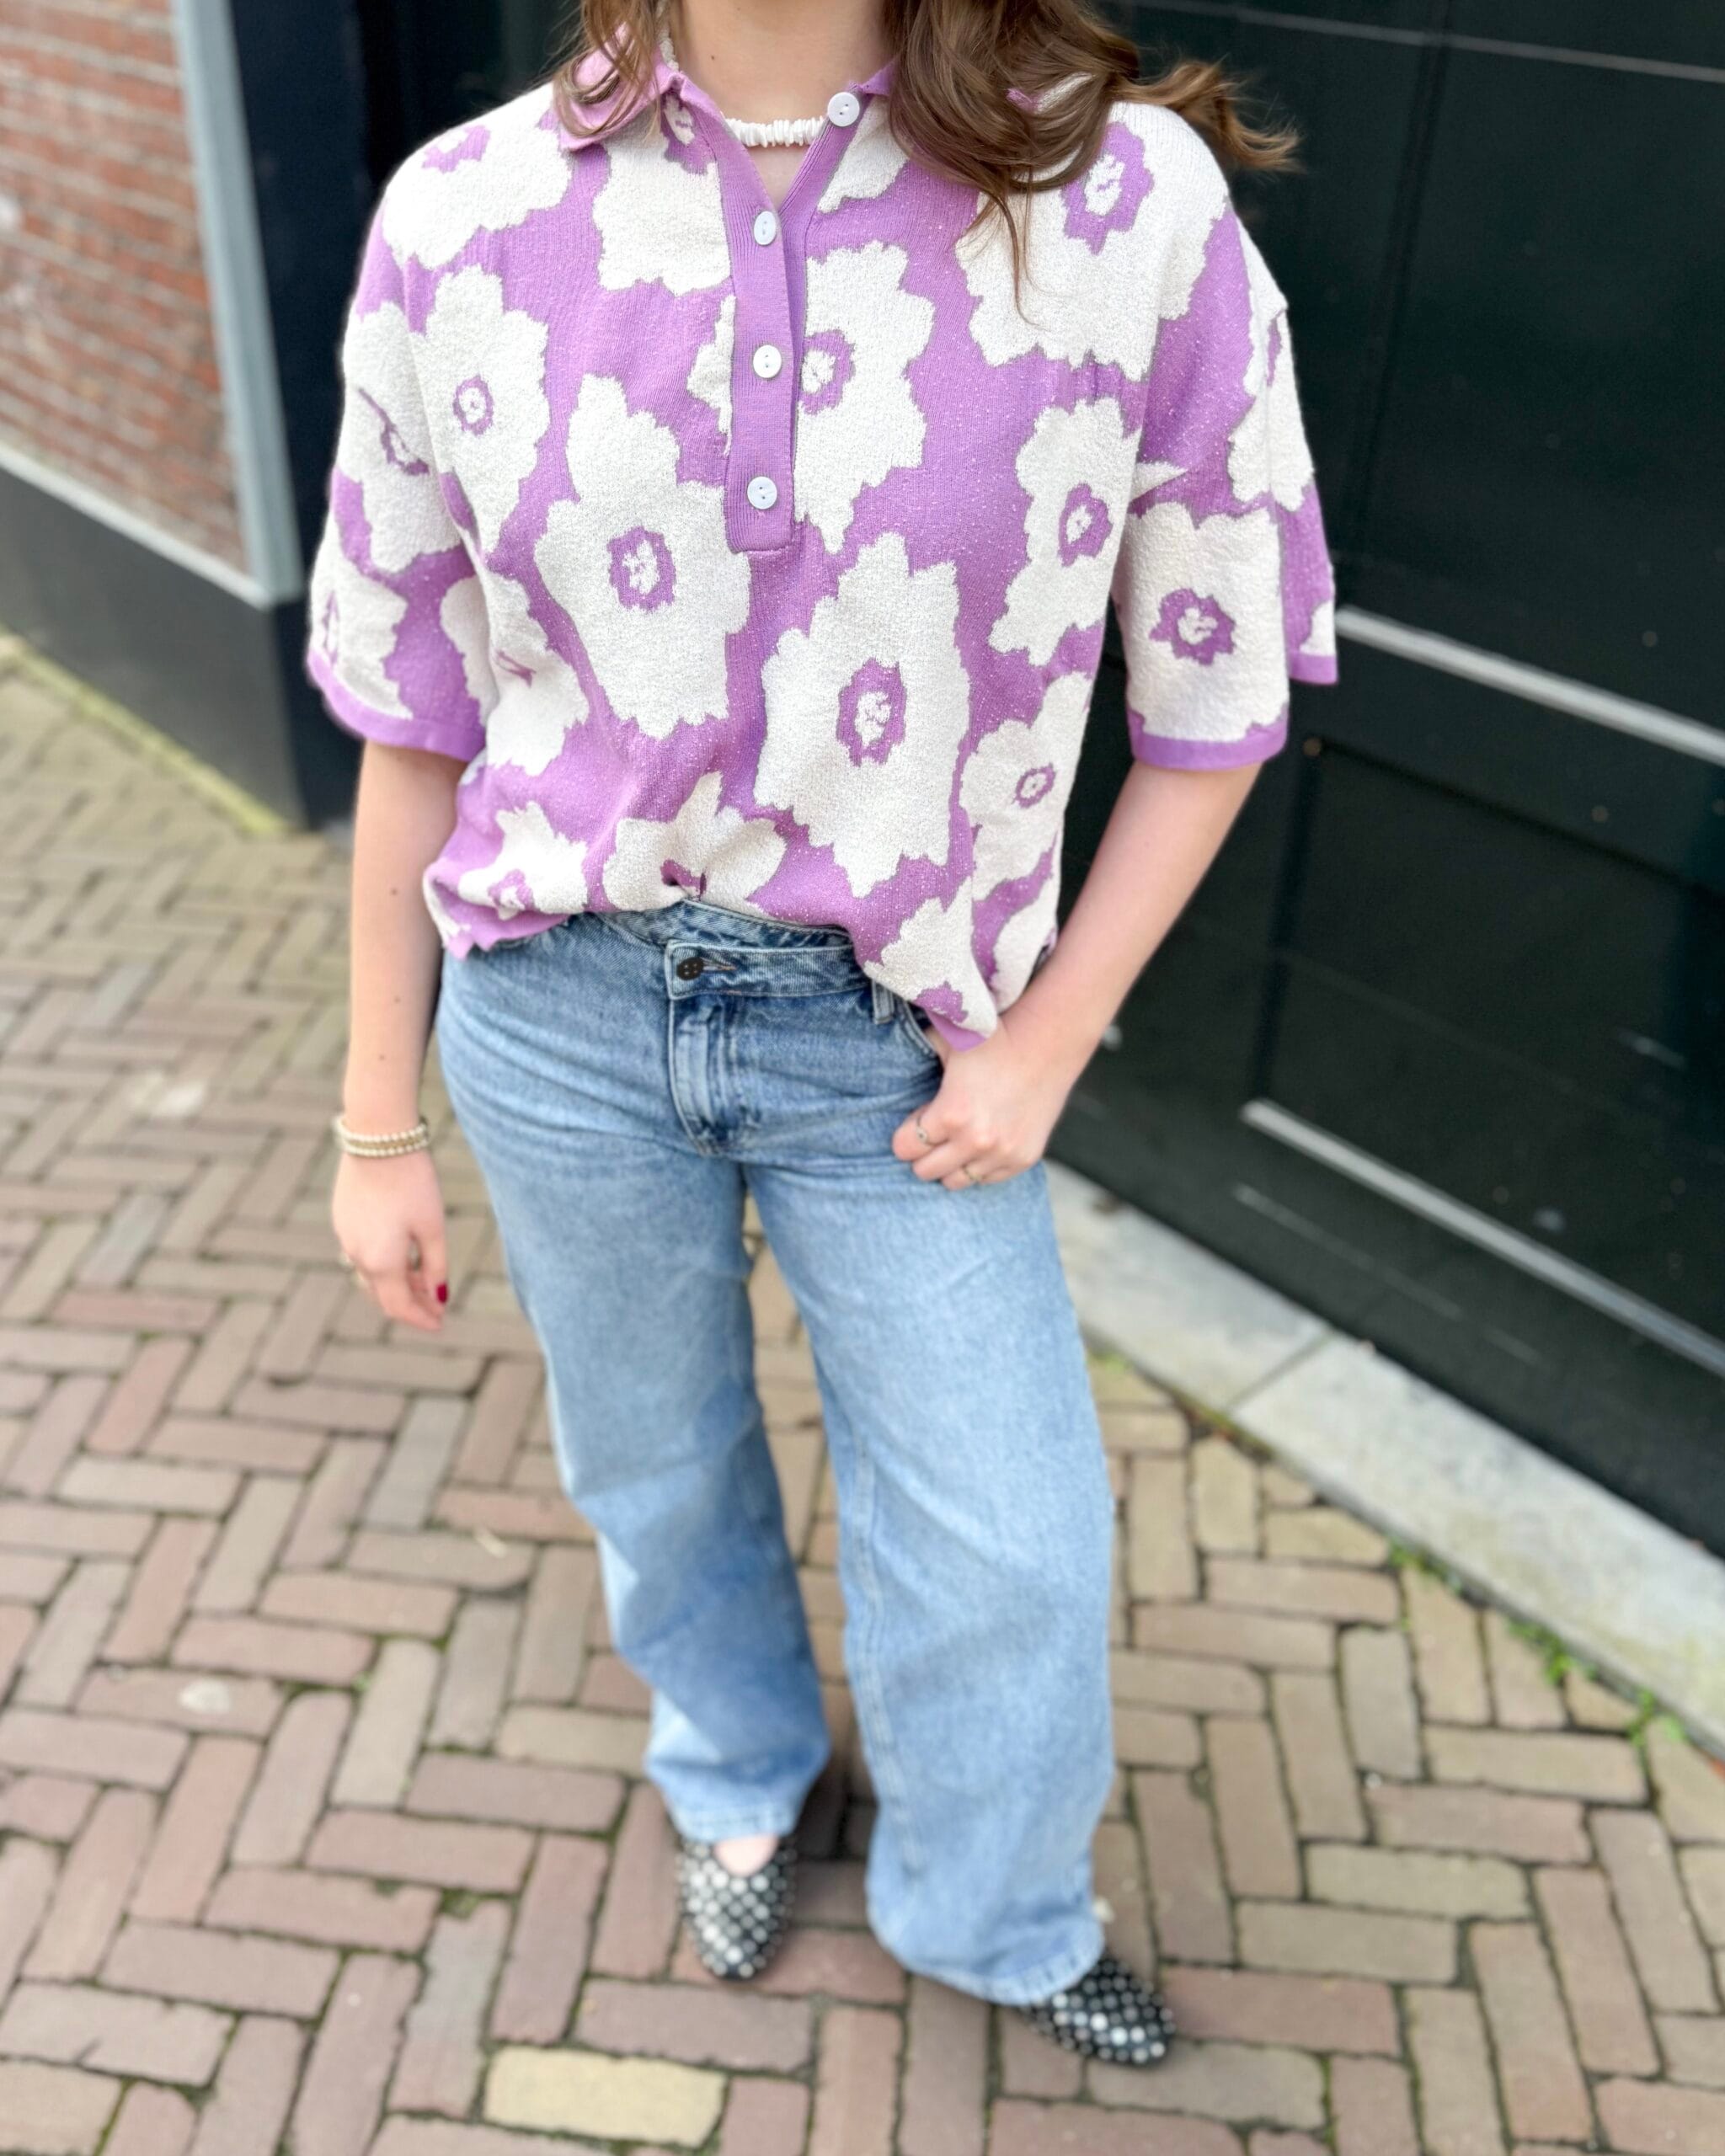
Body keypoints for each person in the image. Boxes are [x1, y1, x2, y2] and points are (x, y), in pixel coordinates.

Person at [311, 0, 1335, 2068]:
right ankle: (738, 1772)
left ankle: (990, 1909)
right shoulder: (463, 213)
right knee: (649, 1454)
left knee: (1011, 1541)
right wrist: (372, 1121)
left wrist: (1048, 1040)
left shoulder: (1122, 200)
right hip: (556, 1005)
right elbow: (415, 711)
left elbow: (1218, 685)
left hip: (899, 1043)